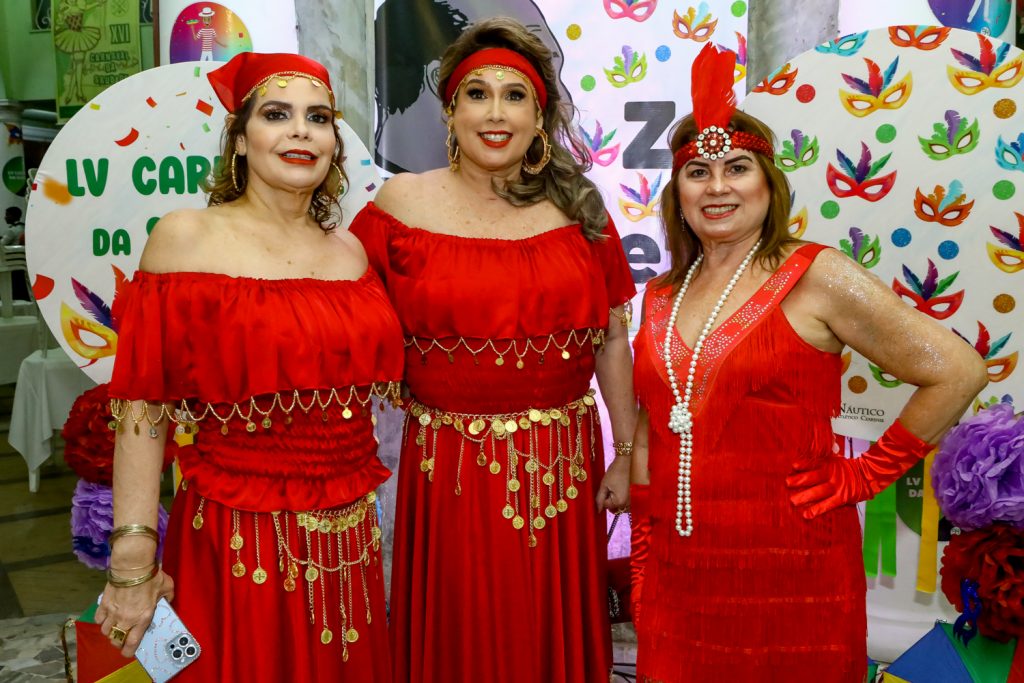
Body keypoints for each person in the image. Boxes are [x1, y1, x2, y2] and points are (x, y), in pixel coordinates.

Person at [628, 43, 990, 682]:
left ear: (770, 182)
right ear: (675, 190)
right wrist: (643, 539)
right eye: (697, 172)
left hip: (792, 566)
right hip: (679, 569)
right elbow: (654, 420)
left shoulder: (817, 275)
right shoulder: (662, 292)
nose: (717, 187)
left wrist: (864, 476)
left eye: (736, 167)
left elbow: (958, 370)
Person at [94, 52, 403, 682]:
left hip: (348, 540)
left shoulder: (349, 251)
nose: (300, 131)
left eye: (318, 118)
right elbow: (143, 406)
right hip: (238, 536)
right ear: (239, 140)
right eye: (276, 114)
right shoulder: (186, 237)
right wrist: (132, 557)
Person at [351, 17, 637, 683]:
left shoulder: (581, 210)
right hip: (447, 461)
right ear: (449, 113)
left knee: (545, 625)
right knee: (460, 622)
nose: (496, 112)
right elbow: (341, 309)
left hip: (559, 462)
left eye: (516, 96)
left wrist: (627, 451)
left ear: (541, 120)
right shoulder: (401, 204)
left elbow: (614, 335)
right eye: (477, 94)